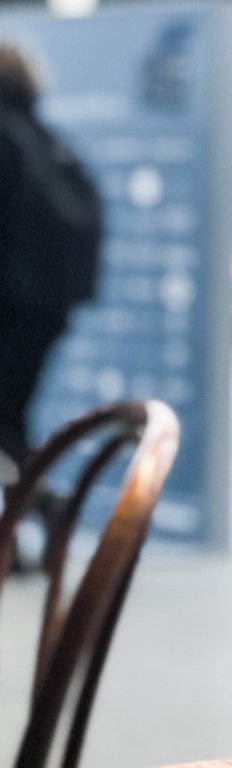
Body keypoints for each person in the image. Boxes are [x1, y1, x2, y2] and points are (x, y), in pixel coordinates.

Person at [0, 45, 102, 479]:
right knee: (11, 418)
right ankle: (26, 520)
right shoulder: (46, 139)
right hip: (47, 308)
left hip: (10, 303)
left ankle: (24, 517)